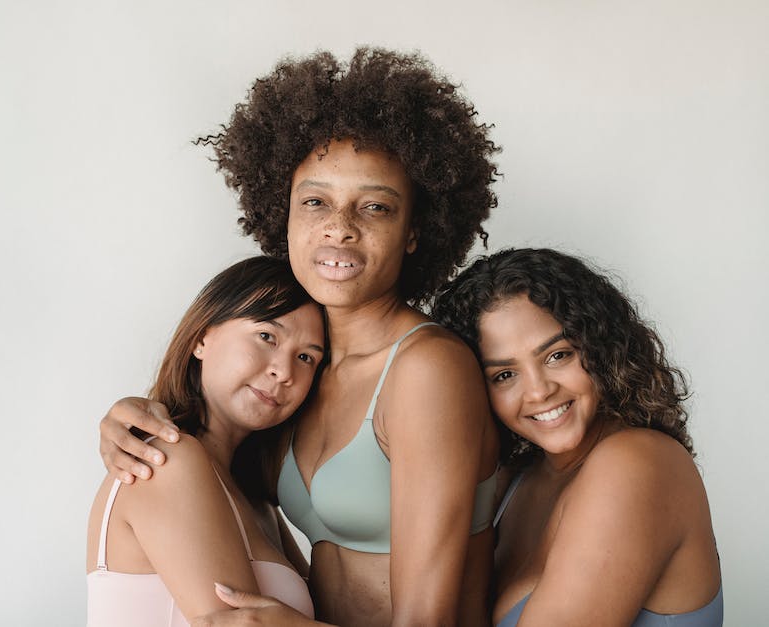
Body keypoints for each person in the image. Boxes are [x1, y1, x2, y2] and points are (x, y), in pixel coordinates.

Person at [98, 47, 501, 626]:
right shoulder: (302, 372)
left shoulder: (425, 368)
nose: (340, 225)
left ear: (414, 232)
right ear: (283, 214)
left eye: (376, 208)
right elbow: (209, 480)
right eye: (315, 201)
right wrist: (132, 415)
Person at [432, 248, 723, 626]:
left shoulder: (638, 463)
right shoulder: (516, 479)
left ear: (600, 345)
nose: (538, 392)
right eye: (504, 375)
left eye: (557, 355)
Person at [86, 256, 325, 626]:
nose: (284, 371)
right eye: (266, 336)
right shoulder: (166, 459)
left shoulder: (260, 503)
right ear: (201, 338)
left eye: (306, 357)